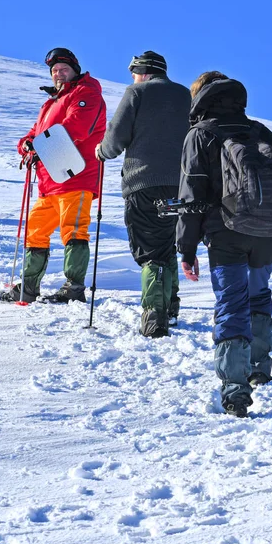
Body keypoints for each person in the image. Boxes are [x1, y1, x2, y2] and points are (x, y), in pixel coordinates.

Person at [176, 71, 272, 418]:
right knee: (259, 295)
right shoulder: (260, 130)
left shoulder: (200, 135)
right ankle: (260, 367)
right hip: (269, 233)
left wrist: (187, 247)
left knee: (231, 303)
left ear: (200, 98)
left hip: (226, 232)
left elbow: (190, 194)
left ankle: (235, 388)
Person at [0, 48, 107, 304]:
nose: (58, 74)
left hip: (76, 174)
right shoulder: (51, 103)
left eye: (64, 69)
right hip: (50, 180)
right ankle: (28, 286)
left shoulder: (86, 93)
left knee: (73, 230)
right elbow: (33, 133)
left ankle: (74, 287)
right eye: (55, 70)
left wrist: (38, 144)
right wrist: (26, 144)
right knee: (35, 230)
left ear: (75, 71)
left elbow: (76, 128)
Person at [96, 51, 191, 338]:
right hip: (181, 186)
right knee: (167, 242)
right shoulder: (186, 96)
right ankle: (171, 306)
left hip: (144, 184)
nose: (133, 78)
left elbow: (115, 138)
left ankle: (154, 316)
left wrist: (101, 151)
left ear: (144, 72)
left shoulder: (137, 92)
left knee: (150, 250)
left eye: (134, 73)